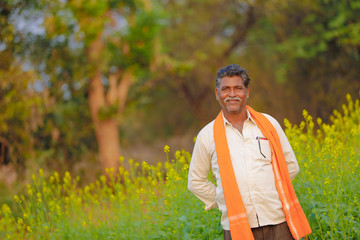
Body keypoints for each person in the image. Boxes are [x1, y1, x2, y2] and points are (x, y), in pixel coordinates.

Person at [187, 64, 311, 240]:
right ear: (217, 93)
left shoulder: (269, 124)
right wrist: (224, 198)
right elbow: (195, 181)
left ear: (247, 91)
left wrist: (270, 189)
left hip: (278, 220)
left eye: (238, 88)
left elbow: (290, 166)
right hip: (236, 225)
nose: (232, 94)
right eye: (225, 89)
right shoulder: (207, 135)